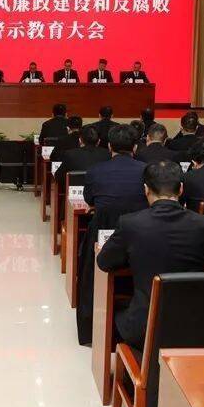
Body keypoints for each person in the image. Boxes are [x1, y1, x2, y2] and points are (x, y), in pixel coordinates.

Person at [98, 161, 204, 349]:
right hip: (193, 325)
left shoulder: (130, 224)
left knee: (119, 311)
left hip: (146, 328)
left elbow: (104, 262)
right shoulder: (202, 224)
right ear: (181, 189)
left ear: (146, 189)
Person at [77, 125, 147, 345]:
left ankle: (91, 328)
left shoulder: (95, 171)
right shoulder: (147, 170)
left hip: (103, 233)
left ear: (109, 146)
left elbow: (89, 200)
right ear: (135, 147)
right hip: (141, 236)